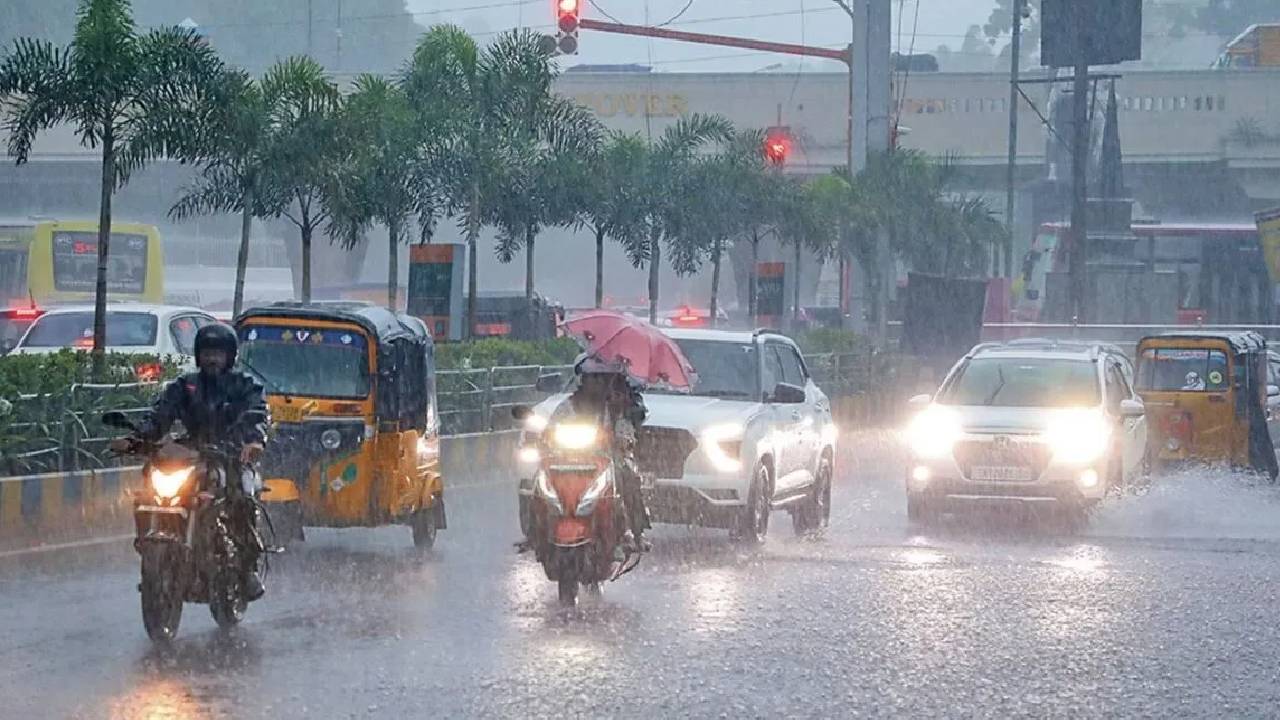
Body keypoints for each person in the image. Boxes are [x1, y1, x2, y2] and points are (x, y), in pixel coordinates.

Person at [112, 324, 270, 600]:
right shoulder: (184, 386)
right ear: (198, 354)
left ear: (229, 356)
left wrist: (254, 441)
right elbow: (161, 415)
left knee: (242, 497)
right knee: (149, 485)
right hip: (193, 451)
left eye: (218, 354)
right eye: (207, 352)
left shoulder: (245, 385)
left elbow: (257, 414)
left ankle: (247, 570)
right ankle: (149, 545)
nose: (212, 359)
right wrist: (137, 438)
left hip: (231, 454)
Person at [553, 355, 651, 553]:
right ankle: (535, 532)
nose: (598, 383)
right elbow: (550, 429)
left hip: (606, 461)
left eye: (603, 378)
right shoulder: (566, 407)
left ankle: (633, 531)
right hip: (566, 462)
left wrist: (623, 438)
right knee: (539, 483)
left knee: (627, 477)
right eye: (593, 377)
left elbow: (627, 433)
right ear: (583, 379)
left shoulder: (614, 409)